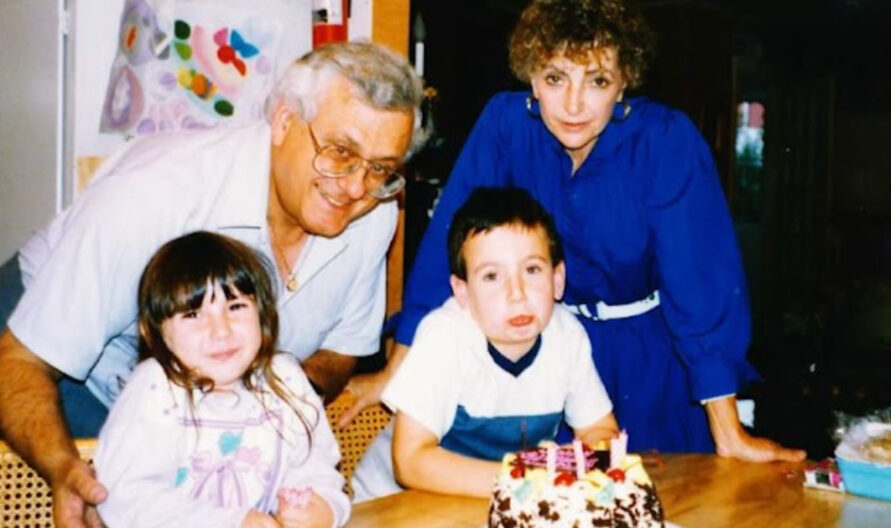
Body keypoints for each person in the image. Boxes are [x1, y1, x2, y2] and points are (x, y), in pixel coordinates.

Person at [342, 0, 805, 462]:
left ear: (625, 80)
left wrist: (727, 429)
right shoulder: (506, 125)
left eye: (598, 81)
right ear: (532, 78)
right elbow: (450, 247)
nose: (573, 104)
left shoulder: (666, 141)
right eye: (555, 78)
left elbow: (698, 284)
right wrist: (399, 366)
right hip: (548, 355)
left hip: (651, 363)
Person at [0, 41, 421, 528]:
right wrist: (63, 469)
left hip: (206, 405)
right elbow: (21, 361)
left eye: (382, 169)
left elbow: (341, 350)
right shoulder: (157, 194)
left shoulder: (375, 210)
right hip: (55, 355)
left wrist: (268, 407)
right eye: (340, 153)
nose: (354, 187)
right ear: (283, 121)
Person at [352, 187, 618, 500]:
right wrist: (526, 481)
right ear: (461, 292)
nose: (516, 293)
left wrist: (581, 469)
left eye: (532, 270)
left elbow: (600, 431)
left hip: (491, 505)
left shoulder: (567, 336)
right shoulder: (444, 336)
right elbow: (409, 463)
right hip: (391, 507)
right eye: (492, 276)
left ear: (557, 279)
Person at [94, 231, 349, 528]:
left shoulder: (286, 380)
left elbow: (316, 468)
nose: (221, 331)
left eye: (236, 307)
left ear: (263, 315)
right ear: (152, 332)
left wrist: (322, 507)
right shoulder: (155, 388)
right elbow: (127, 498)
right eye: (192, 314)